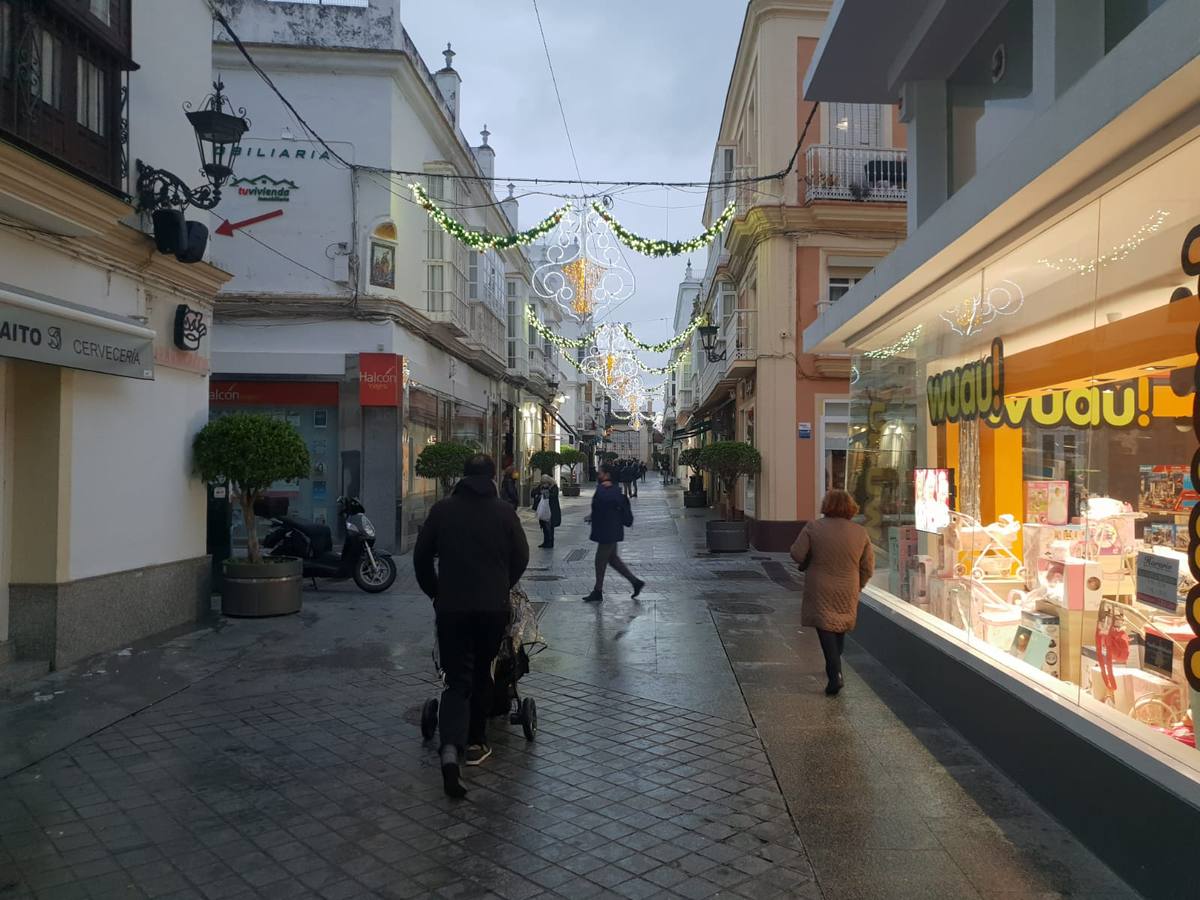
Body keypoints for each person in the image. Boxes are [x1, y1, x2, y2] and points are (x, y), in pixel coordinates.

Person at [413, 454, 530, 798]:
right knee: (482, 673)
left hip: (451, 608)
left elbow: (421, 557)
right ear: (492, 477)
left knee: (455, 678)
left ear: (462, 477)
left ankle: (450, 749)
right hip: (491, 609)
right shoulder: (504, 512)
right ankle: (478, 742)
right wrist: (502, 584)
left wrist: (435, 591)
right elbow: (521, 556)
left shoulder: (442, 510)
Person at [788, 489, 875, 696]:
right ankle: (836, 664)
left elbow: (797, 553)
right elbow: (868, 566)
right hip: (848, 584)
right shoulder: (860, 532)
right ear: (850, 507)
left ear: (827, 505)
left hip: (820, 584)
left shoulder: (814, 527)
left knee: (825, 626)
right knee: (839, 625)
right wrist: (859, 584)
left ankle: (834, 672)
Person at [583, 464, 645, 603]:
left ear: (607, 475)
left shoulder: (606, 490)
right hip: (612, 530)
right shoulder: (613, 490)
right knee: (613, 560)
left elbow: (604, 505)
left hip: (607, 532)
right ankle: (635, 582)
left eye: (601, 473)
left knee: (600, 560)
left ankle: (598, 591)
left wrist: (593, 515)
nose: (598, 475)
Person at [530, 473, 561, 549]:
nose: (544, 484)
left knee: (550, 526)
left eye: (545, 483)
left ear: (549, 482)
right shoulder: (541, 487)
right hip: (543, 509)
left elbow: (553, 496)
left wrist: (544, 492)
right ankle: (545, 541)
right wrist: (540, 490)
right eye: (543, 483)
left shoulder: (554, 487)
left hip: (551, 510)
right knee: (544, 526)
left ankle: (550, 542)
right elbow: (533, 493)